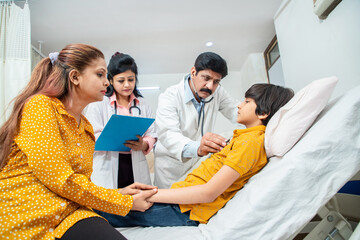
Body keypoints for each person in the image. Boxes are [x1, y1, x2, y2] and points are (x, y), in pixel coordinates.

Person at [0, 44, 157, 240]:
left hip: (70, 213)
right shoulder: (40, 107)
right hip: (29, 210)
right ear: (75, 77)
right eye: (100, 75)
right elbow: (60, 178)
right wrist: (124, 202)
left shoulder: (86, 128)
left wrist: (120, 193)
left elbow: (80, 182)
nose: (106, 82)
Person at [97, 83, 294, 227]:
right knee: (108, 200)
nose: (239, 105)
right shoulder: (243, 138)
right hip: (182, 202)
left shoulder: (251, 143)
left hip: (187, 209)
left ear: (263, 112)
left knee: (100, 211)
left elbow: (209, 193)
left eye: (247, 101)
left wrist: (152, 194)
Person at [154, 52, 239, 189]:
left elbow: (236, 112)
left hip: (198, 162)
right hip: (171, 166)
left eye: (216, 81)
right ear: (193, 72)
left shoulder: (218, 92)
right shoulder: (170, 96)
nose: (210, 86)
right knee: (169, 204)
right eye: (206, 78)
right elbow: (168, 133)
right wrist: (197, 148)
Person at [85, 52, 157, 189]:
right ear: (111, 80)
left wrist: (144, 145)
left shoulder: (143, 104)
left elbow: (152, 133)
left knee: (138, 204)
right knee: (111, 206)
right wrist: (114, 139)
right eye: (121, 80)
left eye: (131, 79)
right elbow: (91, 135)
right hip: (108, 163)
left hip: (134, 163)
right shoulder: (99, 103)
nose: (127, 85)